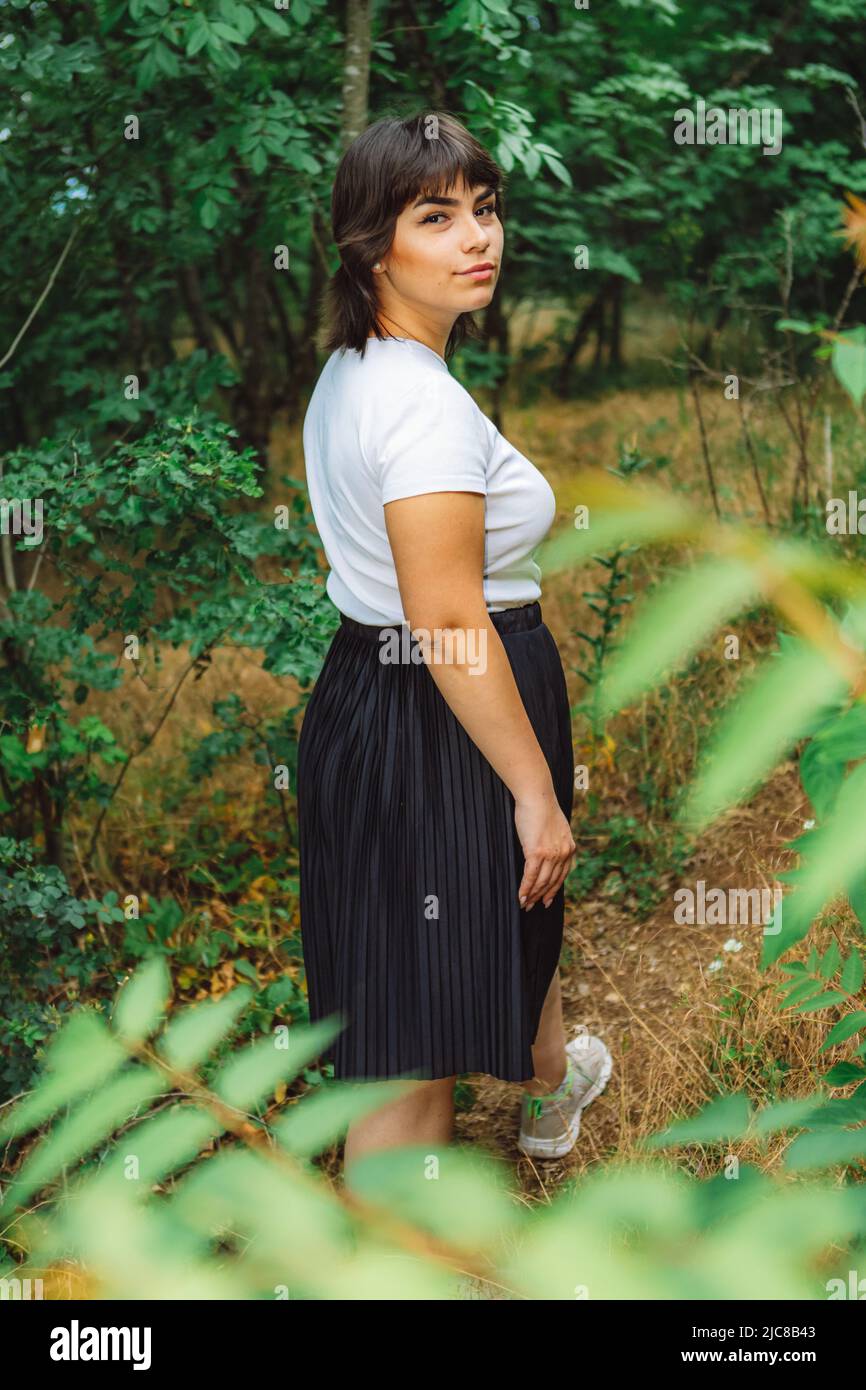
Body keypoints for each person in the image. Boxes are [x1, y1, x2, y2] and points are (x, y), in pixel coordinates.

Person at [298, 110, 612, 1180]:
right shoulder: (418, 407)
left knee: (469, 943)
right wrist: (532, 788)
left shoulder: (354, 372)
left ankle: (548, 1065)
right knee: (402, 1059)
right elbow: (442, 617)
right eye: (435, 216)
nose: (476, 236)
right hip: (439, 707)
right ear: (371, 244)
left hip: (377, 692)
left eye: (484, 209)